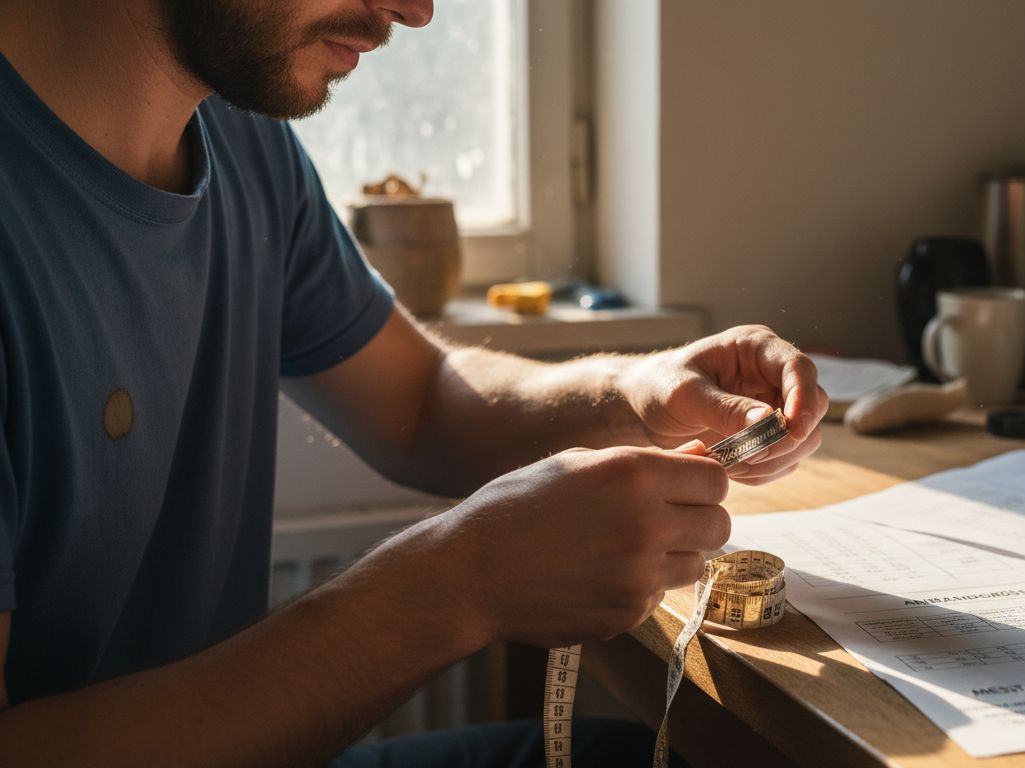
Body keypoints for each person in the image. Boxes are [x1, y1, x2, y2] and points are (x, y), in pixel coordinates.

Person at [0, 0, 826, 765]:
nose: (417, 10)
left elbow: (419, 403)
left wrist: (634, 390)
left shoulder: (237, 135)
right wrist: (457, 583)